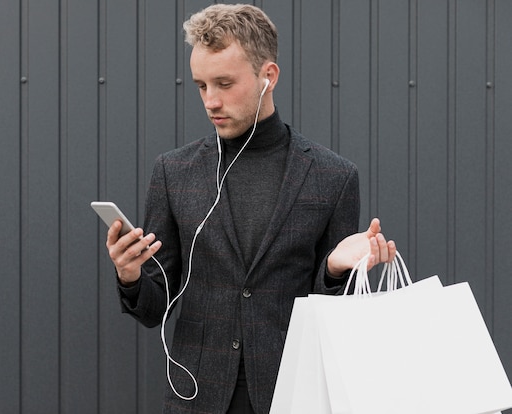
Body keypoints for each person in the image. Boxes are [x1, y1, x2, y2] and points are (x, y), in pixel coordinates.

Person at [105, 4, 396, 413]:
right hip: (197, 398)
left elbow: (332, 319)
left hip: (294, 395)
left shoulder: (333, 176)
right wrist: (131, 276)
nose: (211, 100)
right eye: (202, 86)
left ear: (268, 76)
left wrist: (333, 270)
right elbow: (156, 309)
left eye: (224, 83)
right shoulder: (174, 172)